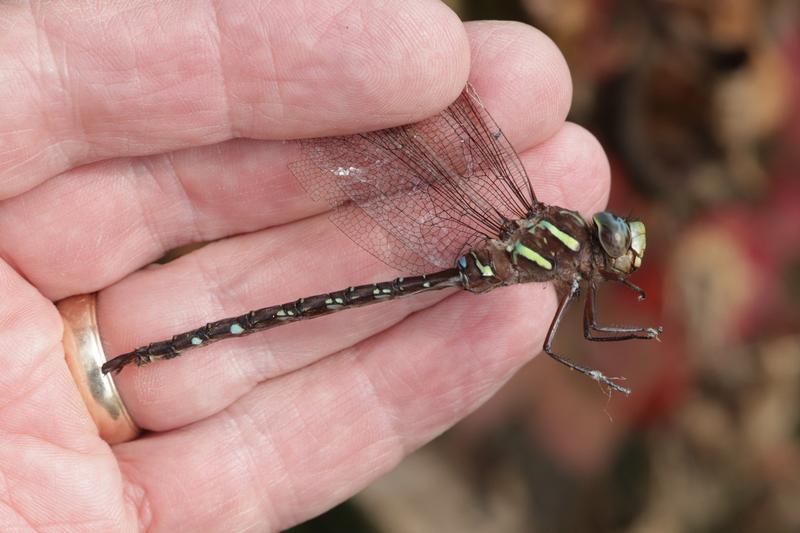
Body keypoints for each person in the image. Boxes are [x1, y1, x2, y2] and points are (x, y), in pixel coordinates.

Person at [0, 1, 610, 530]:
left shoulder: (549, 235)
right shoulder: (557, 248)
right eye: (614, 244)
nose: (615, 249)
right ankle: (149, 354)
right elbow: (571, 338)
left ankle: (137, 357)